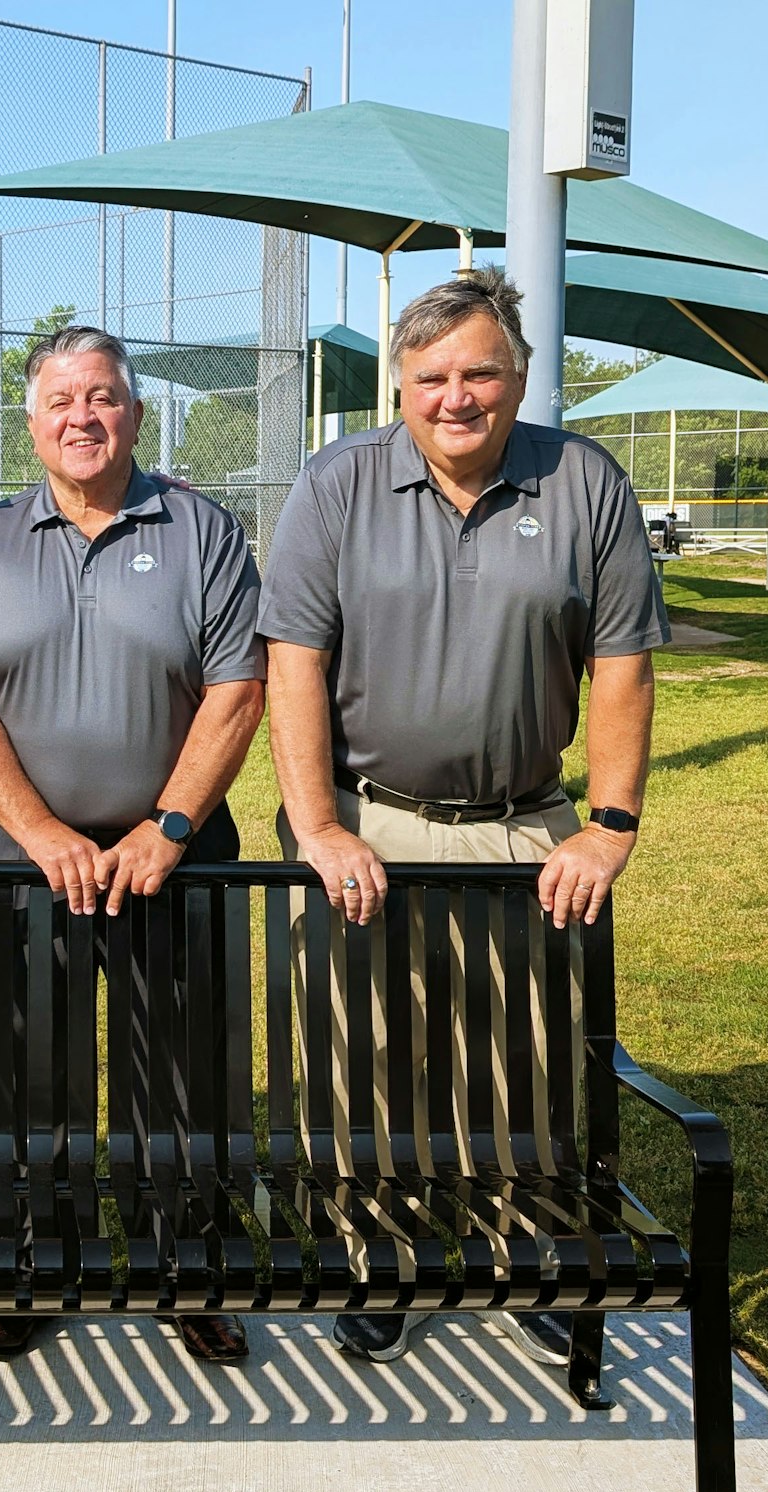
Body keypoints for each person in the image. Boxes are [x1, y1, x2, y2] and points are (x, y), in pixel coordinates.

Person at [258, 265, 666, 1368]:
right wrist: (315, 825)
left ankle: (520, 1249)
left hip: (525, 825)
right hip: (367, 820)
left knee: (521, 1053)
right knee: (366, 1056)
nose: (455, 395)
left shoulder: (582, 481)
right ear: (399, 384)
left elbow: (621, 669)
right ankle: (376, 1256)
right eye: (431, 375)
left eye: (478, 372)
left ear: (519, 376)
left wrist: (610, 821)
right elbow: (291, 662)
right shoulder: (333, 485)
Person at [0, 324, 266, 1364]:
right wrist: (39, 833)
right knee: (30, 1074)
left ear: (134, 413)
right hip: (22, 863)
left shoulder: (201, 530)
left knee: (181, 1071)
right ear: (30, 423)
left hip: (174, 855)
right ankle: (29, 1265)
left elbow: (235, 690)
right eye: (62, 400)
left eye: (104, 396)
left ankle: (187, 1268)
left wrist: (168, 826)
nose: (84, 416)